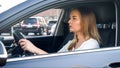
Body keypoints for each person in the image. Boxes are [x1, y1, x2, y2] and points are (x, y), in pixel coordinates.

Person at [19, 7, 101, 54]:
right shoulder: (71, 43)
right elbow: (55, 58)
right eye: (70, 18)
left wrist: (34, 49)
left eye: (74, 18)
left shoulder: (91, 44)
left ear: (85, 22)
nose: (69, 21)